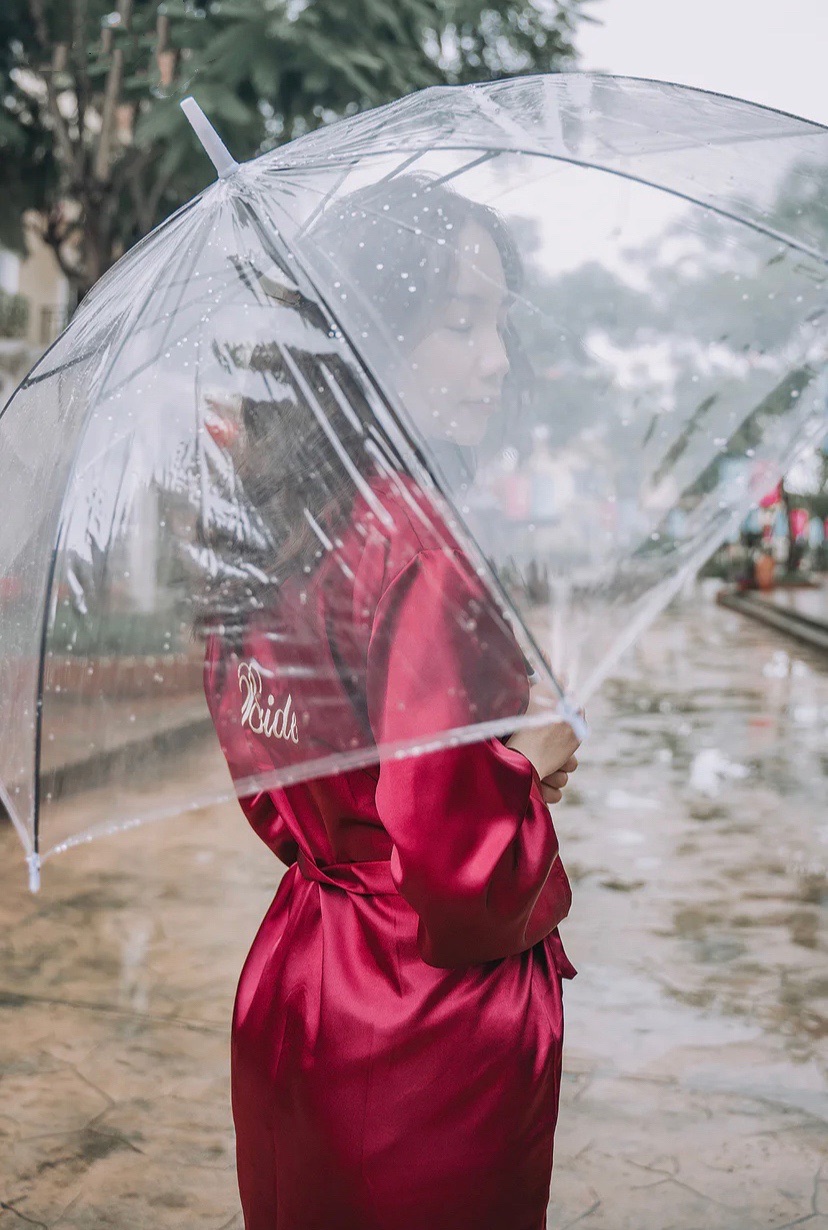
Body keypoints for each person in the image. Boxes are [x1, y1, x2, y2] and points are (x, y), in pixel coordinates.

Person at [201, 174, 580, 1230]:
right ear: (370, 329)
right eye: (460, 323)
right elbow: (463, 871)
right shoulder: (421, 538)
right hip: (425, 1019)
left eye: (498, 322)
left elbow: (277, 781)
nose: (497, 359)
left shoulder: (278, 523)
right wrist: (531, 760)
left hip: (298, 981)